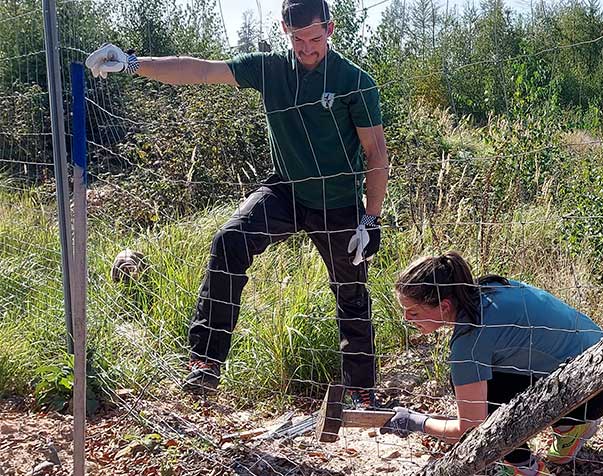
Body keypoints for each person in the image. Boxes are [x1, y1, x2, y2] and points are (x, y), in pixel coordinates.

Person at [84, 0, 390, 407]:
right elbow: (202, 70)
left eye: (315, 38)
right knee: (229, 239)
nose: (306, 48)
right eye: (297, 39)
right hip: (286, 191)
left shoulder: (354, 81)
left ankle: (360, 391)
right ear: (285, 29)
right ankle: (206, 363)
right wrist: (134, 63)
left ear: (330, 30)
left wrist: (370, 219)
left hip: (338, 202)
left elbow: (376, 153)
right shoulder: (270, 68)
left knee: (350, 289)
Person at [384, 252, 603, 475]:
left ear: (444, 306)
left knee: (475, 390)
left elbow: (470, 429)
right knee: (476, 382)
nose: (406, 319)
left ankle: (525, 469)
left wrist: (416, 422)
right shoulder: (490, 289)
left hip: (590, 393)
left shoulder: (470, 341)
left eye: (413, 313)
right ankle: (570, 429)